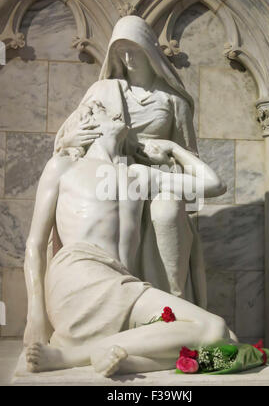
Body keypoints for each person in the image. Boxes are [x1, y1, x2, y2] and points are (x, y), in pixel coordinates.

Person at [24, 103, 233, 376]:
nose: (117, 109)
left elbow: (213, 185)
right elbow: (35, 245)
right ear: (86, 123)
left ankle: (127, 362)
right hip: (79, 275)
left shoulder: (138, 175)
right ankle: (71, 355)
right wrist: (35, 314)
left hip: (123, 284)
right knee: (211, 332)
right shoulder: (64, 166)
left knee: (219, 332)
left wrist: (173, 148)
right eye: (102, 107)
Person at [53, 15, 218, 306]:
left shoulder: (174, 101)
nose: (127, 57)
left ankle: (174, 306)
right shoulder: (103, 90)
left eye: (133, 48)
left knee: (167, 215)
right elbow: (69, 137)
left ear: (149, 49)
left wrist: (165, 151)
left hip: (156, 180)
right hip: (108, 176)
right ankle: (114, 302)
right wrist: (69, 141)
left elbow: (189, 156)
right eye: (121, 51)